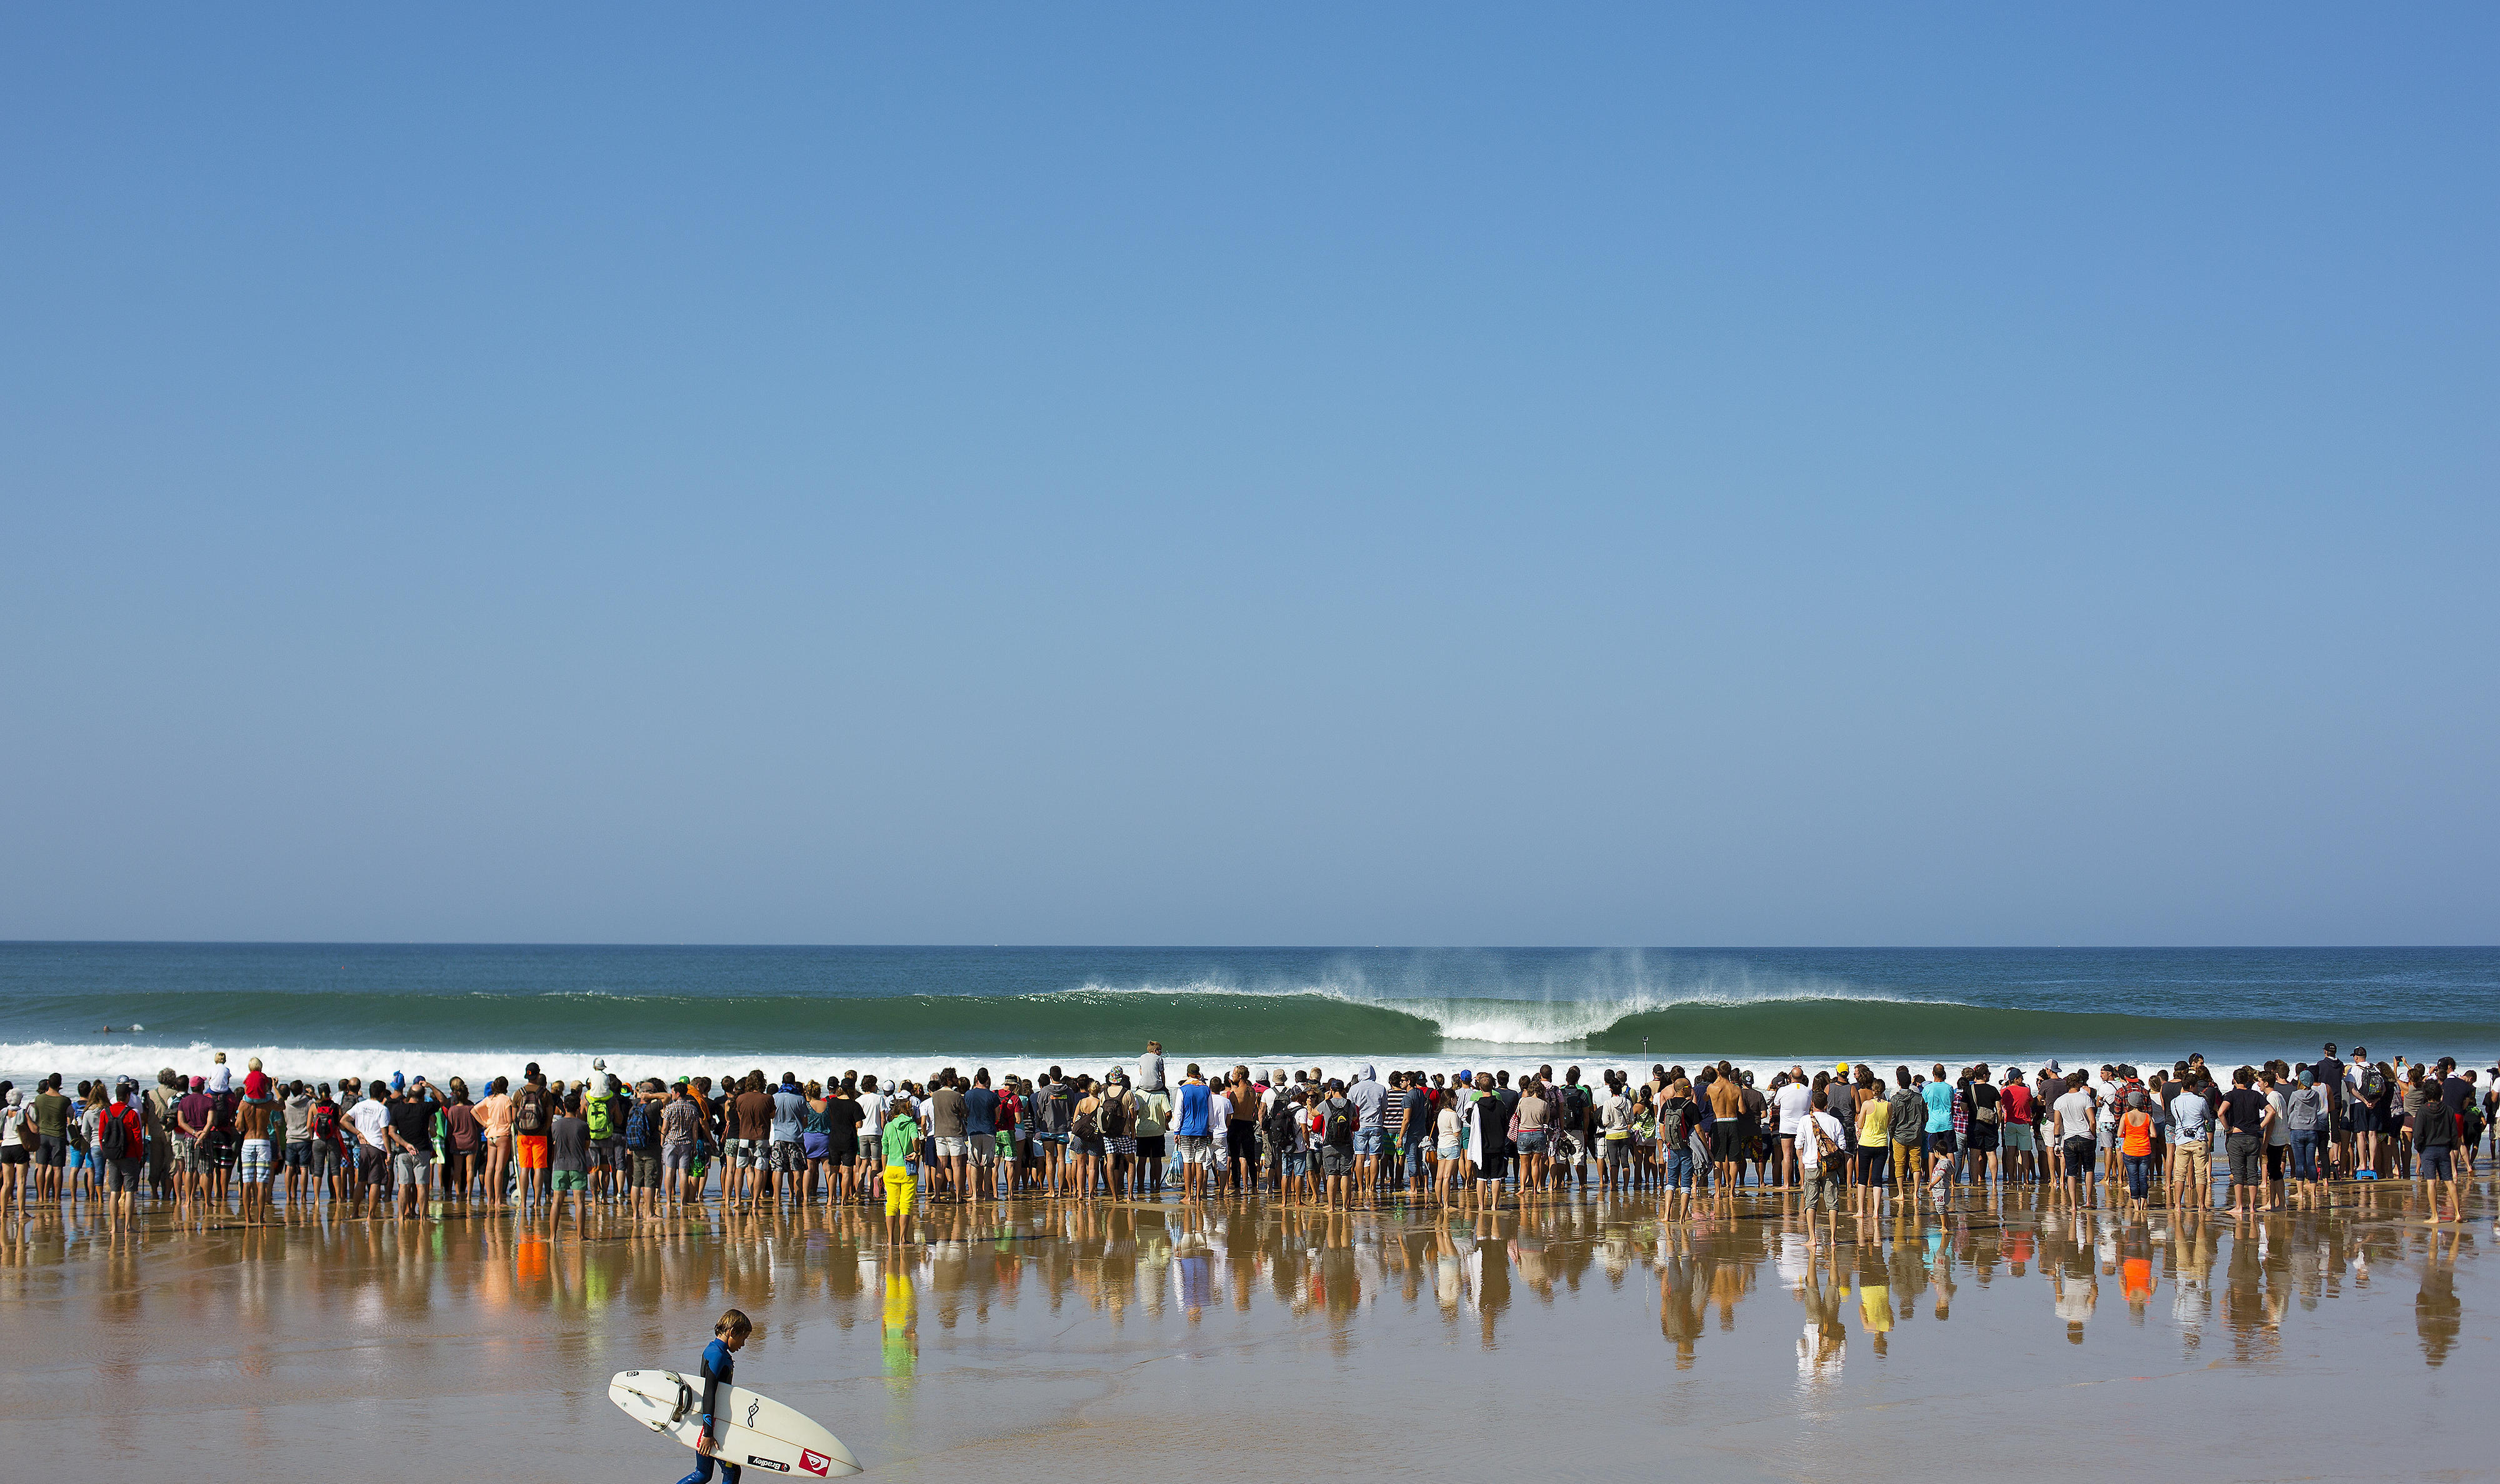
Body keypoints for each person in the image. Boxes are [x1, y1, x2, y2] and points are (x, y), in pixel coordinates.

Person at [676, 1308, 753, 1484]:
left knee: (703, 1473)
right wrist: (708, 1433)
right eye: (743, 1338)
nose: (743, 1345)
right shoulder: (717, 1355)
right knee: (731, 1470)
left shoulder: (715, 1351)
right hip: (711, 1426)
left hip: (709, 1423)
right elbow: (709, 1393)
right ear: (732, 1332)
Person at [2219, 1067, 2272, 1220]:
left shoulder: (2231, 1095)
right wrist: (2261, 1126)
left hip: (2237, 1137)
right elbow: (2271, 1111)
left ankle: (2239, 1206)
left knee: (2238, 1173)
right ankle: (2253, 1207)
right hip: (2253, 1136)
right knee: (2252, 1171)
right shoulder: (2256, 1095)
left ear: (2235, 1080)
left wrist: (2228, 1128)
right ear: (2248, 1080)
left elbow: (2221, 1112)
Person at [879, 1092, 921, 1238]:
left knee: (891, 1204)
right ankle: (903, 1239)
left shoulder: (889, 1126)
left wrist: (883, 1170)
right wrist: (917, 1151)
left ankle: (891, 1239)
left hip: (890, 1168)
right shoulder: (911, 1124)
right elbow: (915, 1139)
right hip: (907, 1169)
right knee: (905, 1205)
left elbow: (885, 1151)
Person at [1172, 1065, 1212, 1202]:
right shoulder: (1206, 1089)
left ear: (1188, 1074)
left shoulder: (1183, 1089)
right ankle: (1198, 1196)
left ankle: (1188, 1195)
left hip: (1186, 1130)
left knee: (1187, 1163)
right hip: (1202, 1131)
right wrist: (1210, 1129)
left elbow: (1178, 1112)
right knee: (1199, 1163)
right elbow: (1210, 1112)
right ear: (1198, 1075)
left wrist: (1176, 1130)